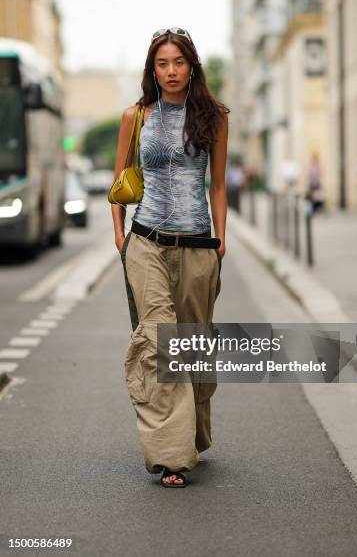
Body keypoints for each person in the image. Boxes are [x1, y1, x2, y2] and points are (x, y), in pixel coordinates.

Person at [111, 27, 228, 488]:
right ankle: (172, 456)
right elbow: (119, 180)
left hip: (198, 243)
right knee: (161, 341)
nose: (171, 71)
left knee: (193, 346)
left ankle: (192, 433)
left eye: (178, 62)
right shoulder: (135, 116)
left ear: (192, 66)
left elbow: (217, 185)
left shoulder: (214, 117)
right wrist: (120, 235)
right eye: (162, 63)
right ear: (152, 69)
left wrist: (222, 239)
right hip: (146, 242)